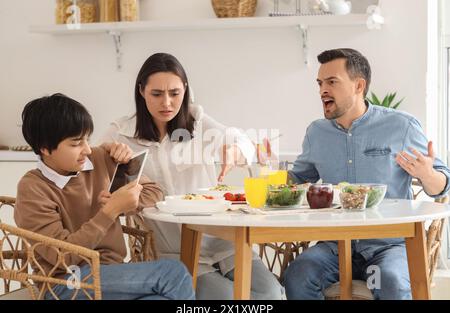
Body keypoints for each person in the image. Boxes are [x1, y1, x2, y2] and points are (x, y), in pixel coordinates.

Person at [100, 53, 283, 300]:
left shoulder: (197, 123)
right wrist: (107, 154)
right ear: (141, 91)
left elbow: (238, 138)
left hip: (225, 242)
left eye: (175, 93)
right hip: (178, 251)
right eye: (157, 94)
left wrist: (235, 149)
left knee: (271, 294)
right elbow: (89, 169)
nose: (167, 102)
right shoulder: (121, 132)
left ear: (185, 90)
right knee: (230, 298)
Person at [282, 48, 450, 300]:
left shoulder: (400, 126)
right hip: (335, 247)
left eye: (332, 82)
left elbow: (442, 185)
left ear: (358, 85)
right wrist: (270, 173)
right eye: (320, 83)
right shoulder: (316, 133)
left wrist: (427, 175)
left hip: (388, 246)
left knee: (391, 281)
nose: (322, 90)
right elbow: (297, 181)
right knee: (298, 275)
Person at [14, 93, 195, 300]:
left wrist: (129, 175)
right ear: (45, 148)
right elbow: (62, 258)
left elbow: (155, 192)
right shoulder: (33, 188)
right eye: (75, 144)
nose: (86, 149)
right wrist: (110, 211)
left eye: (87, 139)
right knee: (174, 274)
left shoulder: (99, 158)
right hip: (64, 283)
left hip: (112, 273)